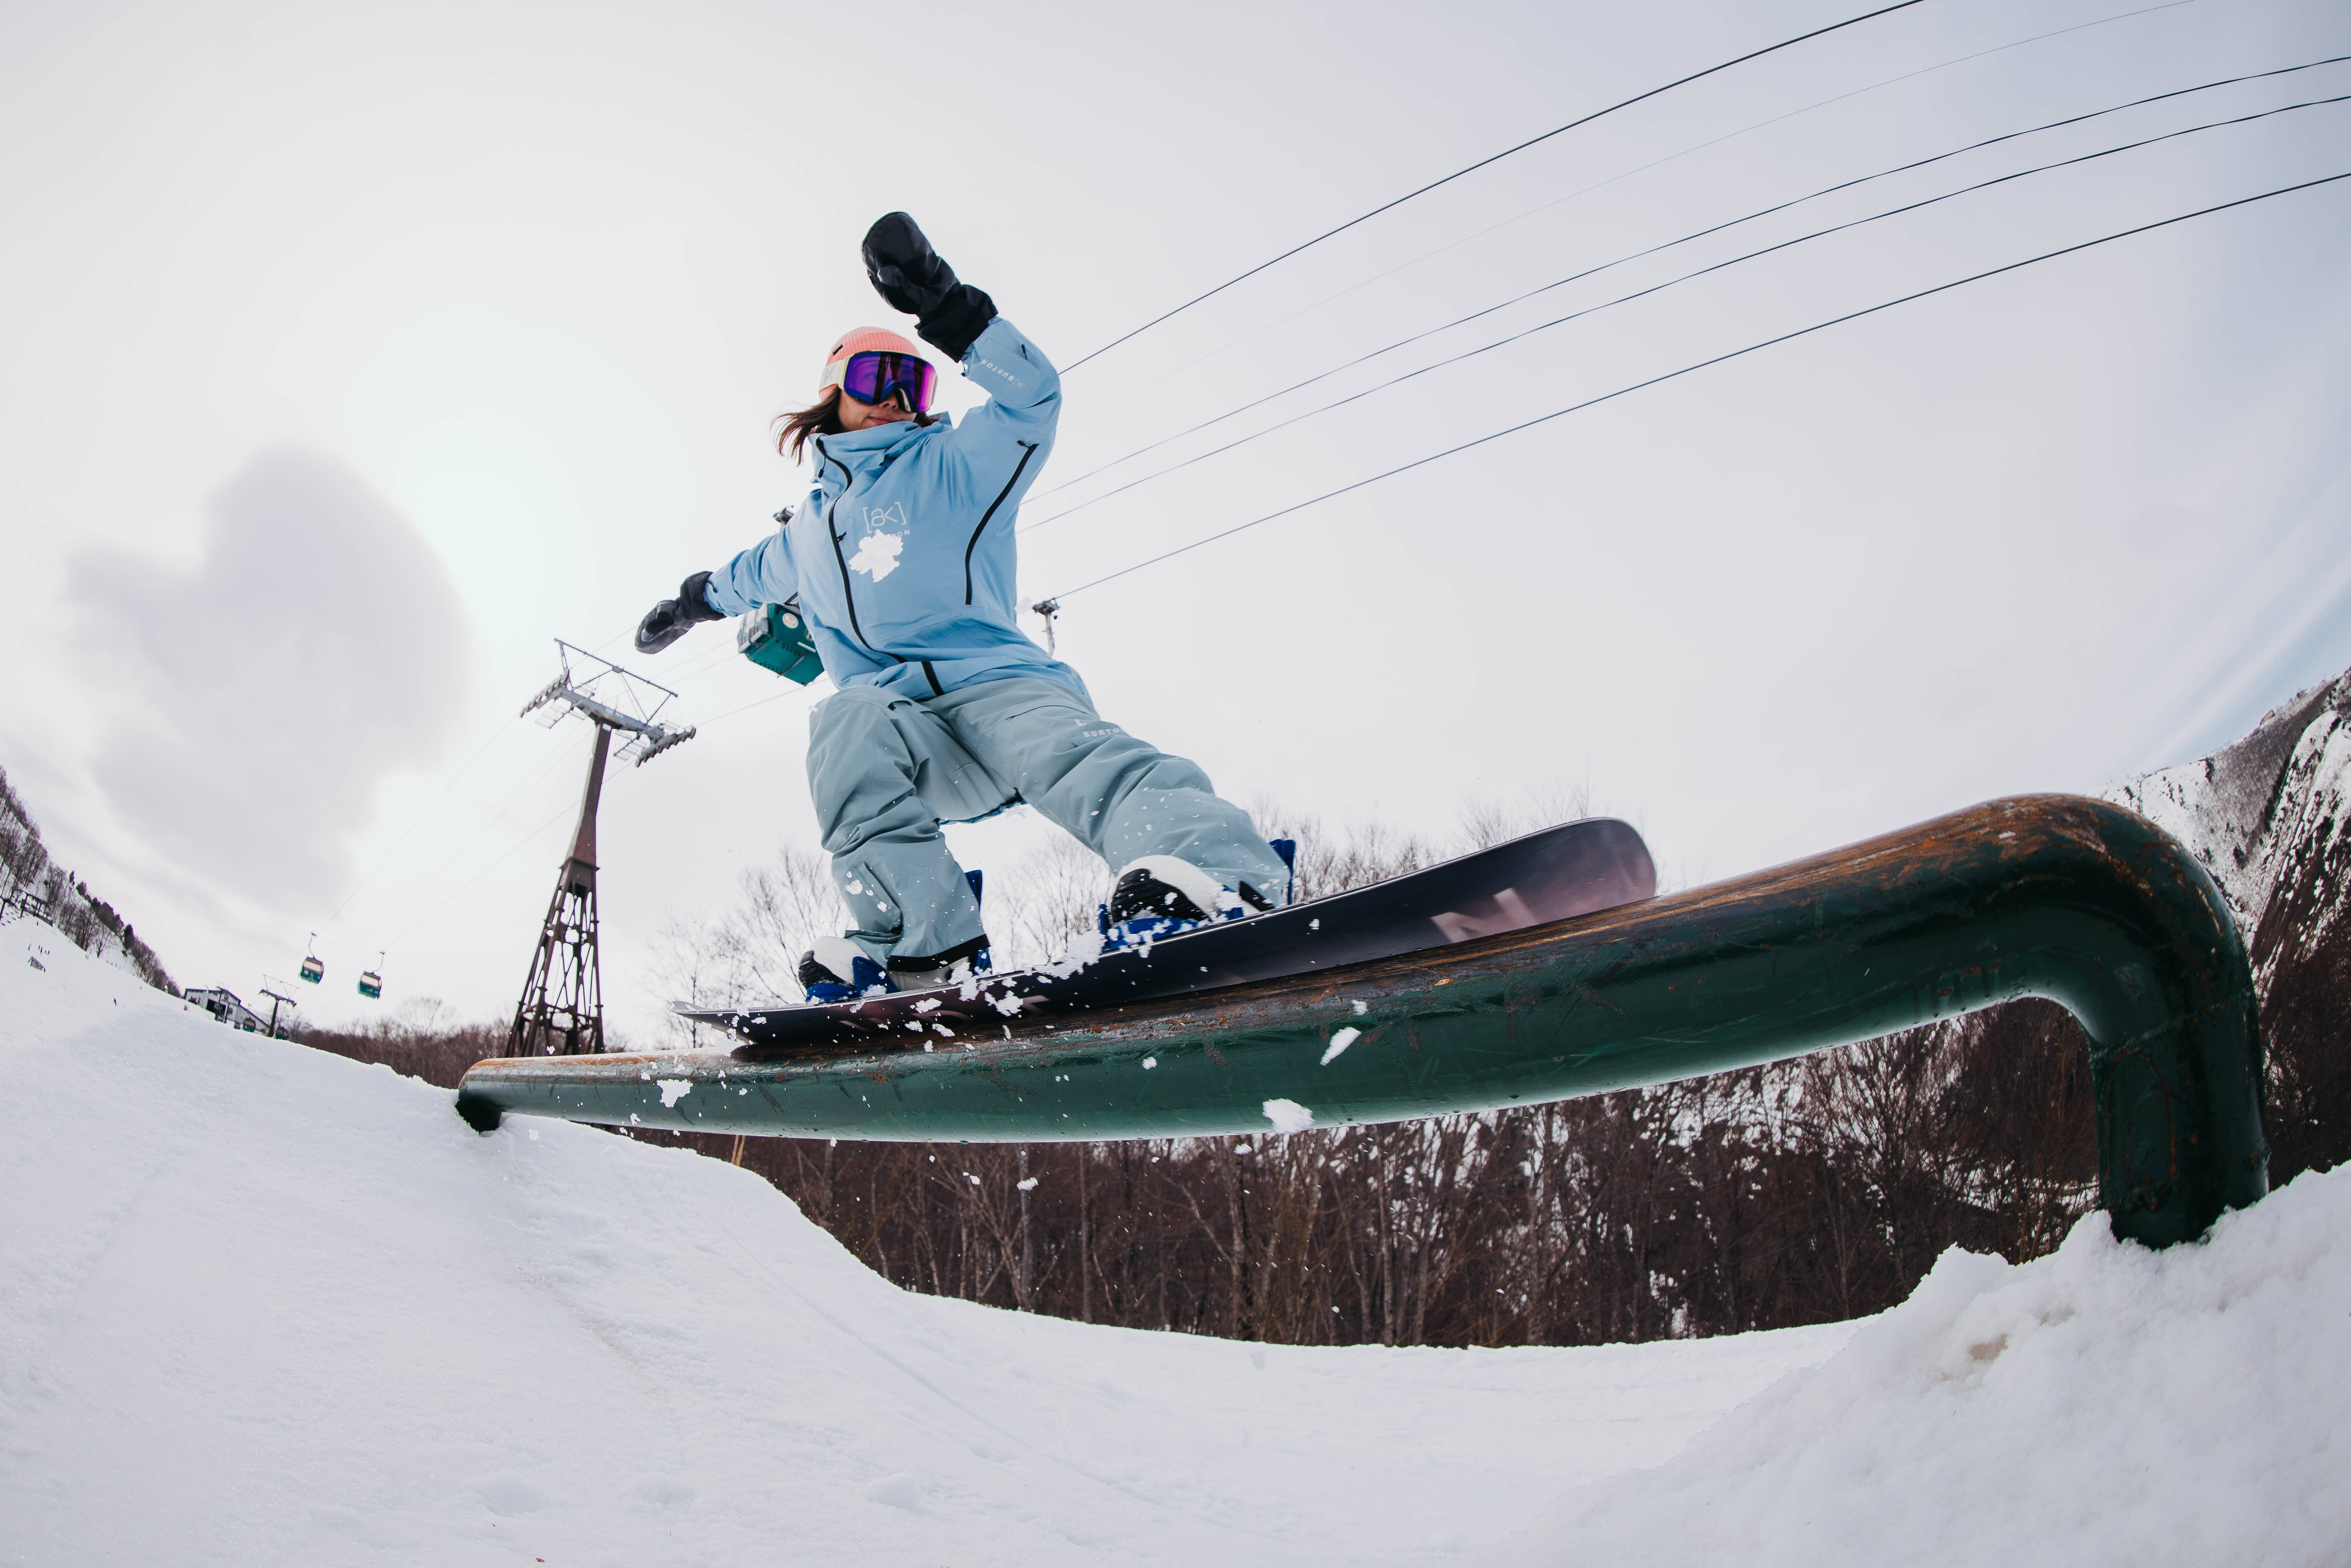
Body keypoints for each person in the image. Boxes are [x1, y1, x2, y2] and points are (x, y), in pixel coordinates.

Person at [635, 213, 1290, 999]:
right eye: (877, 381)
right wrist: (686, 606)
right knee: (844, 724)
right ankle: (923, 947)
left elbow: (1031, 401)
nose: (894, 401)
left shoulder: (951, 464)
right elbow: (739, 578)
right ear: (833, 392)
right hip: (915, 739)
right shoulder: (804, 536)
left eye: (912, 387)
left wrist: (949, 309)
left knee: (1075, 760)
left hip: (1003, 693)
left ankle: (1214, 877)